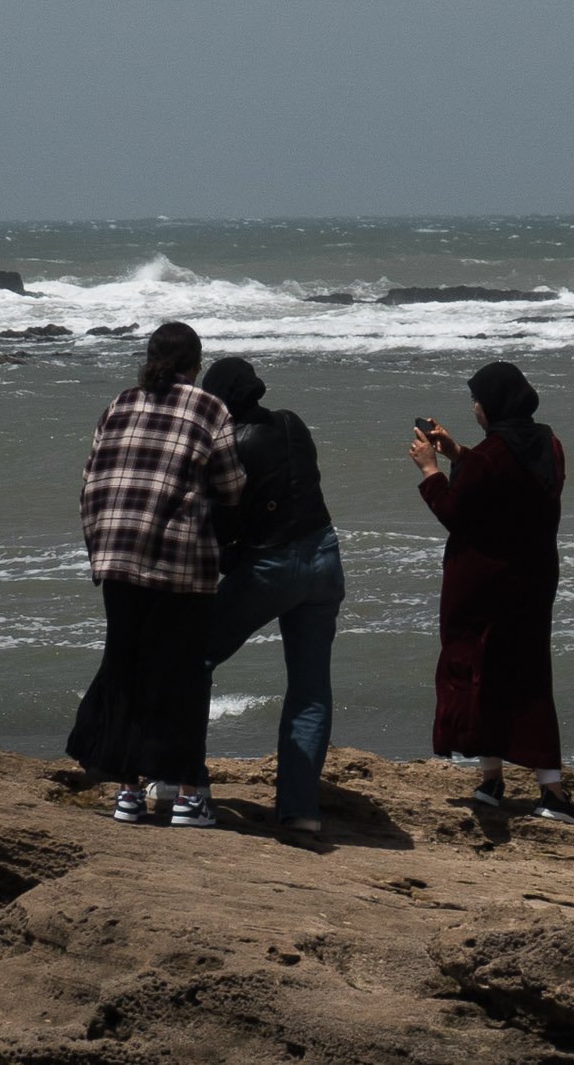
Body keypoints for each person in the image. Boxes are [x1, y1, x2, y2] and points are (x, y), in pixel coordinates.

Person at [65, 321, 245, 829]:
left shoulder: (120, 402)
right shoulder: (208, 406)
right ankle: (188, 797)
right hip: (178, 562)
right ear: (196, 363)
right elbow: (231, 484)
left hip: (115, 553)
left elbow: (89, 477)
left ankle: (127, 794)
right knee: (181, 678)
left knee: (127, 671)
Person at [408, 359, 574, 823]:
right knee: (529, 679)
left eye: (478, 400)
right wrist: (458, 454)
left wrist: (431, 470)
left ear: (491, 405)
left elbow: (456, 512)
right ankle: (551, 790)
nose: (474, 407)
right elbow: (506, 480)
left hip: (482, 585)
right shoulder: (547, 442)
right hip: (533, 578)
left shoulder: (489, 457)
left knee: (476, 673)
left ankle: (492, 779)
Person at [201, 355, 343, 836]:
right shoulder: (290, 423)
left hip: (271, 564)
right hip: (324, 556)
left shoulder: (230, 443)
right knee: (309, 688)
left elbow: (224, 518)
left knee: (192, 658)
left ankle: (182, 779)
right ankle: (301, 809)